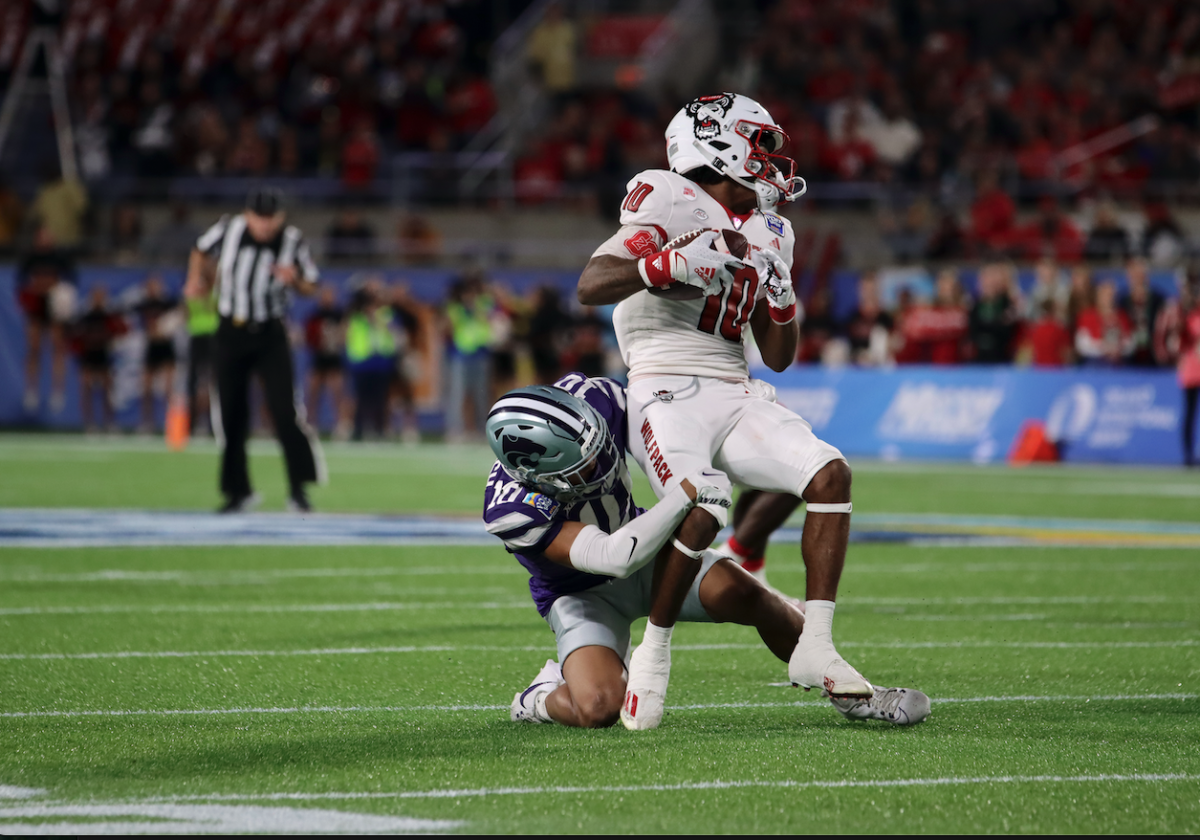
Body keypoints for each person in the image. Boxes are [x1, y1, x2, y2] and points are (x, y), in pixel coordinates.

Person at [576, 93, 872, 730]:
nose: (770, 160)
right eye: (759, 145)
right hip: (663, 384)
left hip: (734, 388)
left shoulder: (774, 230)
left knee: (829, 473)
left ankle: (814, 645)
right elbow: (591, 286)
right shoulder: (665, 196)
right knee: (703, 501)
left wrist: (783, 295)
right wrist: (664, 263)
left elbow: (780, 353)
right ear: (716, 145)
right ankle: (655, 650)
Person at [485, 376, 930, 729]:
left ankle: (855, 693)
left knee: (749, 596)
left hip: (650, 547)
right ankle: (539, 697)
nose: (602, 462)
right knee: (598, 707)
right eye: (584, 465)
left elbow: (651, 437)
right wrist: (684, 495)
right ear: (536, 475)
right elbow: (613, 556)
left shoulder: (594, 398)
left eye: (599, 447)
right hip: (582, 594)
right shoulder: (510, 510)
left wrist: (682, 473)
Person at [184, 187, 324, 513]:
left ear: (280, 217)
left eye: (270, 219)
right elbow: (199, 249)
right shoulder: (228, 229)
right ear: (247, 216)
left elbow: (312, 286)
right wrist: (196, 280)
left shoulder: (292, 241)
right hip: (229, 331)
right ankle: (237, 491)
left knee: (284, 412)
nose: (264, 226)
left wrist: (294, 281)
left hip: (269, 334)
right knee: (231, 414)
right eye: (259, 219)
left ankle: (298, 489)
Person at [72, 285, 125, 432]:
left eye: (102, 296)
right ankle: (89, 424)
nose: (99, 299)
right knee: (86, 388)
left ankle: (110, 423)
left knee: (107, 390)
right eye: (96, 296)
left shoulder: (109, 315)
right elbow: (74, 336)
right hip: (88, 355)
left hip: (104, 354)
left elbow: (121, 330)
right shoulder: (85, 316)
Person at [135, 275, 181, 432]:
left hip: (166, 347)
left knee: (169, 389)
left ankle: (171, 424)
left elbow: (180, 315)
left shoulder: (168, 304)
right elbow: (146, 328)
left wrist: (166, 327)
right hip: (152, 348)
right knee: (146, 388)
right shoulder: (144, 305)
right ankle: (147, 423)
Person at [304, 284, 349, 437]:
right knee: (313, 392)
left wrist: (339, 338)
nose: (328, 297)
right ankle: (310, 423)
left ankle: (341, 423)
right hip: (319, 357)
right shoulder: (315, 315)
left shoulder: (340, 314)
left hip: (334, 358)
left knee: (336, 391)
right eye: (325, 294)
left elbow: (345, 335)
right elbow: (309, 337)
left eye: (331, 294)